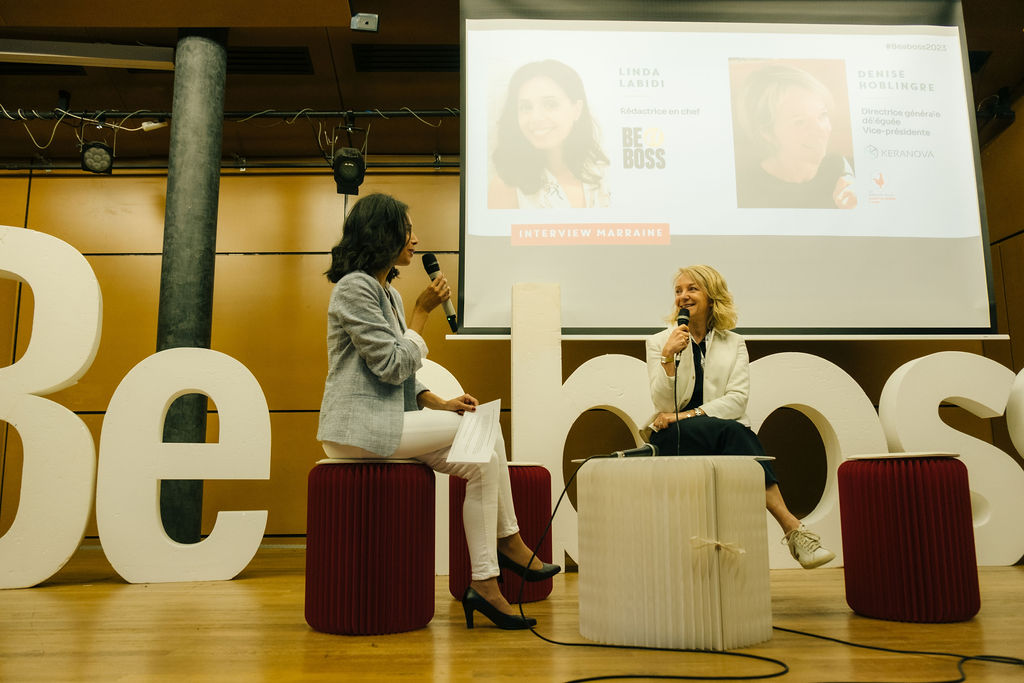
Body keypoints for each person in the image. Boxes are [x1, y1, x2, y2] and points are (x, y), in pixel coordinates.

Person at [316, 193, 559, 629]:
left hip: (387, 424)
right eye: (407, 231)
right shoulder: (354, 288)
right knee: (483, 432)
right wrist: (421, 314)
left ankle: (485, 583)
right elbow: (391, 366)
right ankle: (510, 541)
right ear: (383, 234)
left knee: (481, 457)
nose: (415, 240)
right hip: (355, 430)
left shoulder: (386, 292)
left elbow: (405, 377)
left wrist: (441, 402)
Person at [644, 265, 835, 569]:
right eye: (678, 291)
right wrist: (668, 357)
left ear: (711, 296)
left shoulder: (734, 343)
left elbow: (737, 400)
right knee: (737, 434)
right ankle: (793, 529)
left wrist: (686, 415)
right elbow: (663, 404)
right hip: (675, 437)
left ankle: (789, 532)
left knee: (733, 432)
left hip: (715, 433)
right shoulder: (659, 342)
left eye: (692, 289)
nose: (683, 296)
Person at [489, 59, 610, 209]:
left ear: (577, 110)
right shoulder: (506, 186)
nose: (536, 118)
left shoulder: (605, 174)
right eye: (526, 107)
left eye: (550, 104)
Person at [735, 63, 856, 210]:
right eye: (800, 122)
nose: (820, 130)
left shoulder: (842, 168)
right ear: (767, 133)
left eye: (822, 115)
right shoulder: (745, 190)